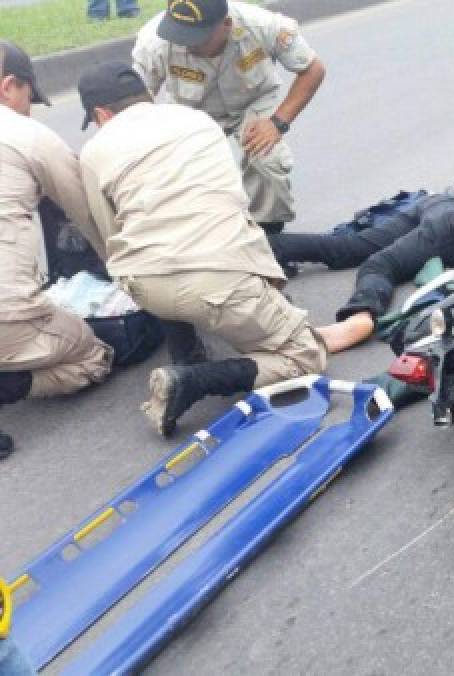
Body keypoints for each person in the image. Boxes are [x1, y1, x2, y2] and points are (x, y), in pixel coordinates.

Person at [76, 62, 326, 437]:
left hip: (146, 283)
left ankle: (185, 349)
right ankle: (193, 378)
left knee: (151, 247)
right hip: (219, 280)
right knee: (305, 357)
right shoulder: (197, 121)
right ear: (146, 96)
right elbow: (233, 208)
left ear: (100, 114)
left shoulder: (95, 150)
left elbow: (110, 235)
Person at [0, 41, 115, 460]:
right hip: (5, 317)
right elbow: (88, 214)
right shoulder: (24, 132)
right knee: (93, 357)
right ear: (9, 85)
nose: (28, 106)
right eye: (28, 96)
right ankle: (9, 384)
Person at [131, 0, 326, 234]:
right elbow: (137, 101)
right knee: (180, 175)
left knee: (268, 157)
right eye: (180, 34)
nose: (185, 42)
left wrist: (277, 123)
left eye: (197, 36)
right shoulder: (155, 41)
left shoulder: (262, 25)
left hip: (252, 102)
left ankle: (270, 232)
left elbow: (313, 69)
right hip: (190, 111)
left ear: (226, 24)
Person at [268, 178, 454, 353]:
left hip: (438, 201)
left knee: (345, 247)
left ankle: (262, 246)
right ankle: (360, 316)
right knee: (380, 266)